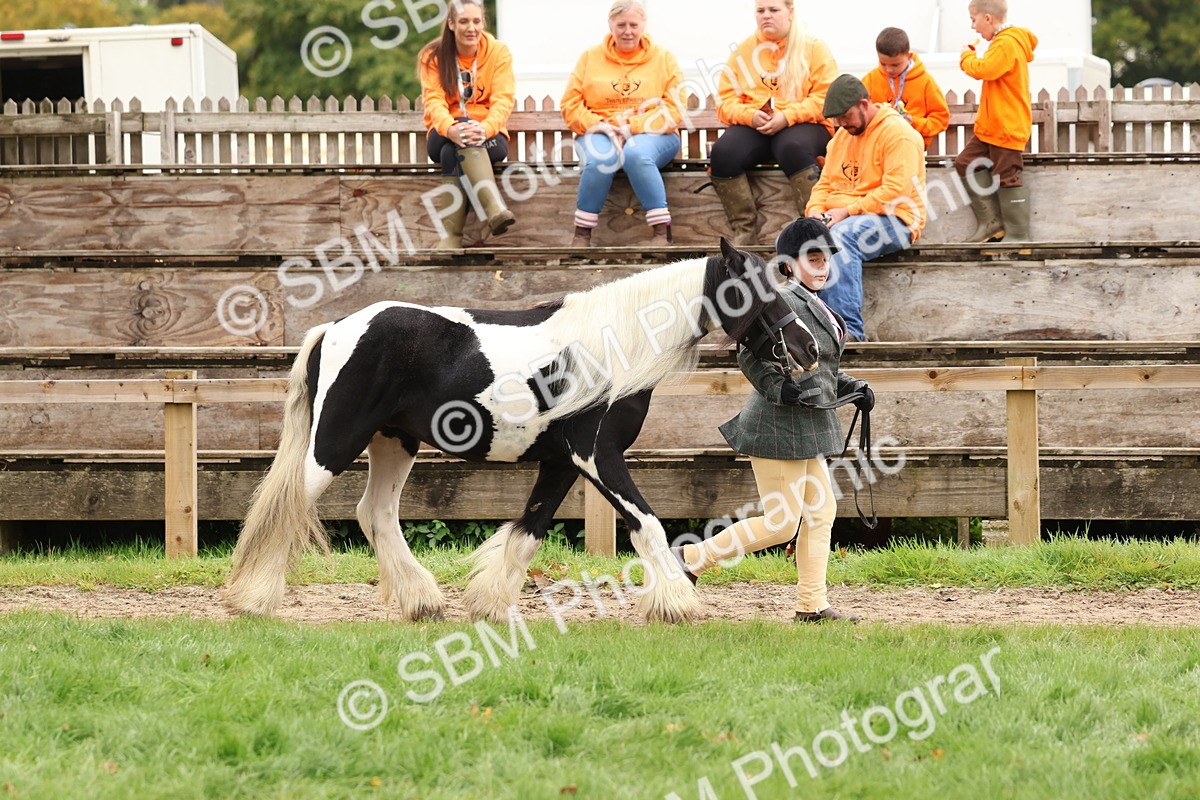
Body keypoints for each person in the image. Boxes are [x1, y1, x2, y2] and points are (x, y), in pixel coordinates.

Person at [672, 218, 873, 623]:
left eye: (825, 260)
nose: (822, 267)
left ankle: (812, 606)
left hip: (809, 426)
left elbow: (824, 368)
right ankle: (690, 557)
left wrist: (854, 387)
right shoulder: (785, 300)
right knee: (782, 523)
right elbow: (748, 356)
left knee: (821, 512)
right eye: (812, 260)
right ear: (787, 265)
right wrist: (779, 389)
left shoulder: (818, 304)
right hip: (777, 424)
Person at [804, 74, 926, 342]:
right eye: (836, 119)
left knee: (841, 236)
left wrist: (847, 211)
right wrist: (814, 210)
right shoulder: (840, 139)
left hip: (896, 218)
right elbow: (824, 185)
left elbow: (896, 191)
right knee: (793, 238)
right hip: (847, 215)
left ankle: (846, 333)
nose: (841, 124)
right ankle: (810, 330)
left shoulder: (898, 134)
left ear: (864, 103)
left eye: (845, 116)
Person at [709, 0, 838, 246]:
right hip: (758, 125)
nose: (766, 16)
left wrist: (788, 116)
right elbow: (725, 101)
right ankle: (745, 235)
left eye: (774, 10)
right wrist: (750, 116)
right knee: (723, 152)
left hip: (805, 123)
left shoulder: (814, 47)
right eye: (761, 10)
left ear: (790, 12)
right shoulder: (744, 52)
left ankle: (814, 231)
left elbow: (824, 99)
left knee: (792, 146)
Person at [561, 0, 685, 247]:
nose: (627, 31)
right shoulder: (589, 58)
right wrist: (601, 126)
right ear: (610, 25)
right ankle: (581, 235)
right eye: (621, 25)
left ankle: (662, 233)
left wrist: (632, 127)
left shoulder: (664, 58)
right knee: (600, 158)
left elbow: (675, 109)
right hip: (600, 129)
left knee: (636, 154)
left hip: (656, 132)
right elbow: (570, 105)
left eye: (633, 25)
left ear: (643, 25)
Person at [418, 0, 516, 249]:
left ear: (483, 22)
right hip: (443, 131)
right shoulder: (432, 56)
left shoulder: (498, 52)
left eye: (476, 21)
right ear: (451, 24)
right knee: (453, 137)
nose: (471, 28)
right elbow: (434, 101)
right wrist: (451, 128)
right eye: (463, 21)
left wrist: (485, 128)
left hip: (489, 135)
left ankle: (452, 237)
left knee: (450, 153)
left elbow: (503, 100)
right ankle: (493, 207)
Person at [956, 0, 1038, 242]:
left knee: (1008, 176)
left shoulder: (1007, 43)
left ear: (988, 18)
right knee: (966, 163)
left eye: (974, 20)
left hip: (1006, 126)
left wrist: (966, 57)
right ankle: (991, 224)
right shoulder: (1003, 43)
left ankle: (1018, 237)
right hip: (992, 127)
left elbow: (984, 69)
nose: (973, 27)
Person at [862, 27, 950, 150]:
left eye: (895, 64)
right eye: (883, 63)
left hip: (911, 143)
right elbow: (861, 113)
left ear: (908, 56)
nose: (889, 69)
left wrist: (914, 123)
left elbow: (941, 119)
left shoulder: (925, 81)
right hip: (878, 144)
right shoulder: (870, 80)